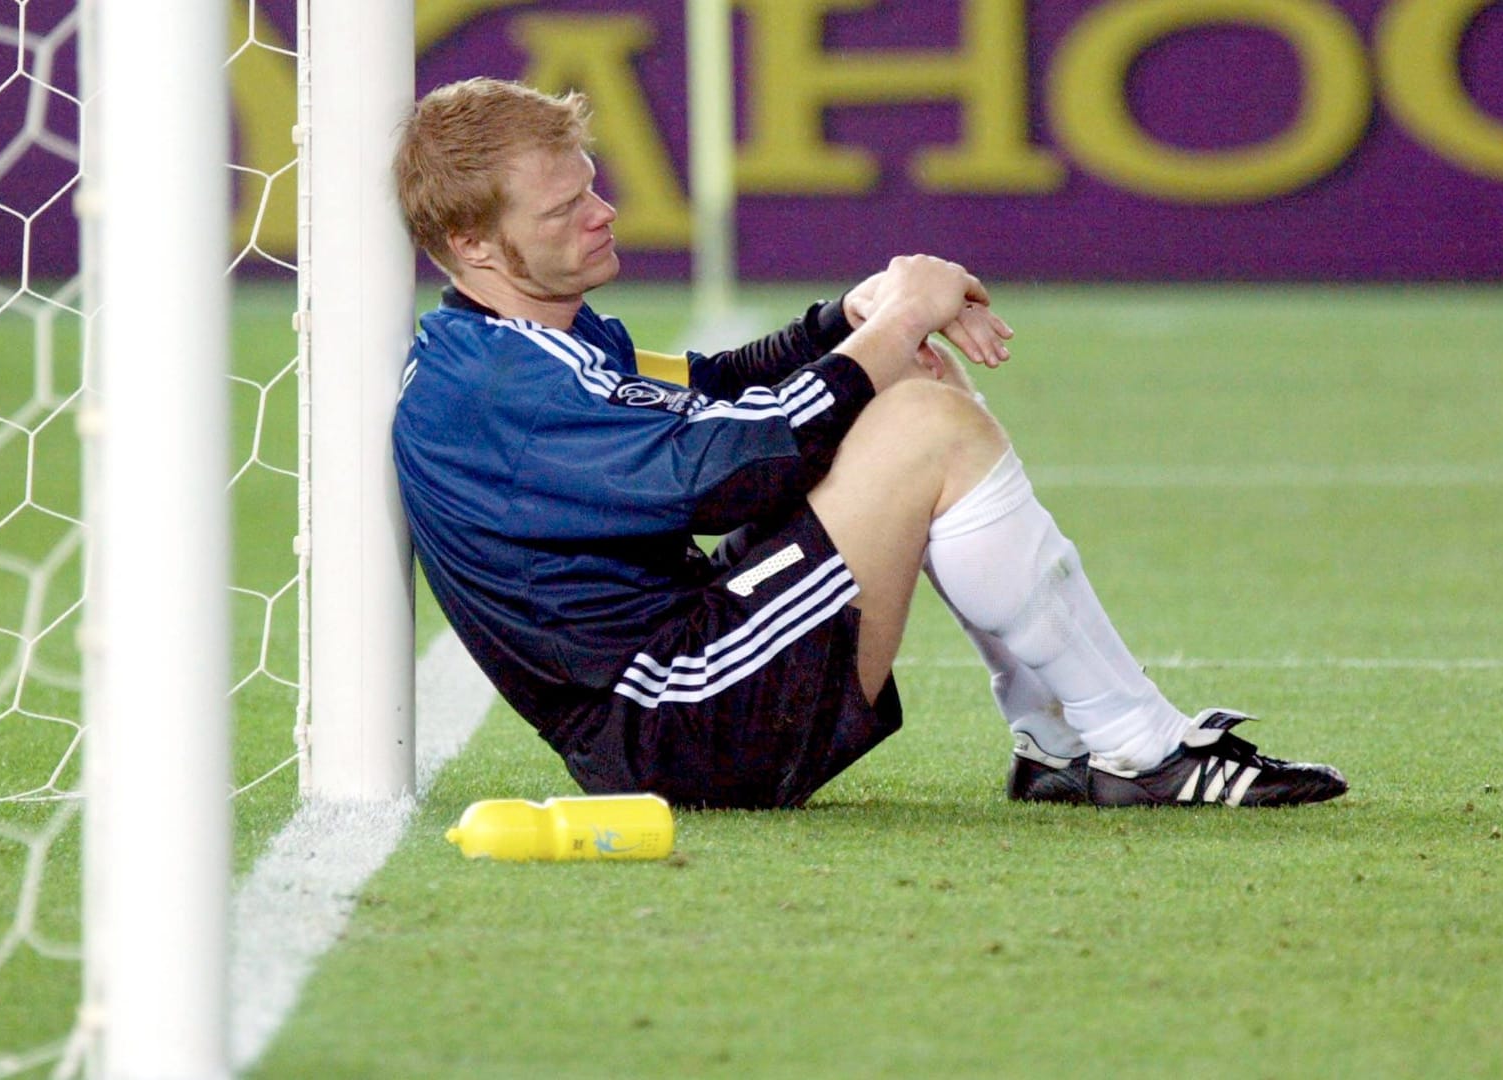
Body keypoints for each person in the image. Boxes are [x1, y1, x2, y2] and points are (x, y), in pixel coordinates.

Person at [390, 78, 1346, 811]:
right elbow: (724, 472)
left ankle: (1064, 740)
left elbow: (717, 387)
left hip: (687, 673)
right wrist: (885, 336)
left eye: (591, 189)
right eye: (564, 210)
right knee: (919, 413)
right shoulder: (492, 386)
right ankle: (1134, 746)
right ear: (474, 245)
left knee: (915, 382)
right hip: (680, 722)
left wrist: (848, 317)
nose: (602, 213)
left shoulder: (529, 338)